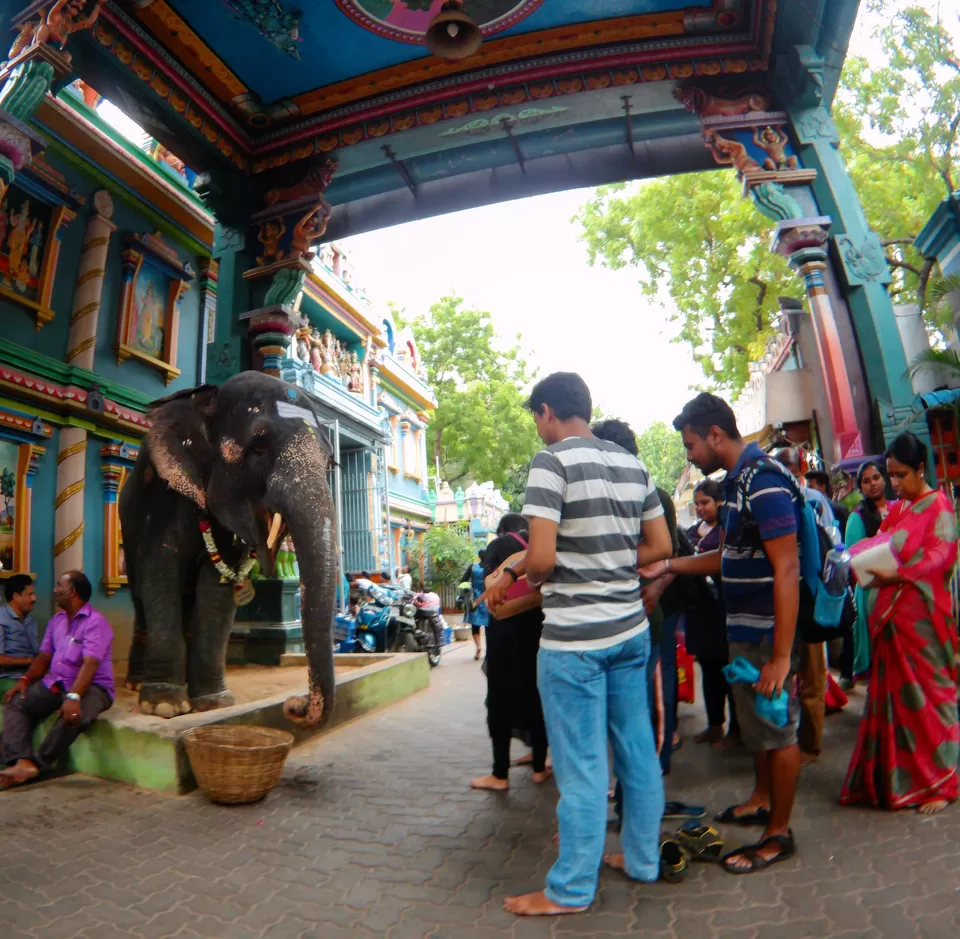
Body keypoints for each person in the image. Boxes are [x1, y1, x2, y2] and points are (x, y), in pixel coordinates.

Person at [486, 373, 672, 916]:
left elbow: (541, 559)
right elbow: (660, 545)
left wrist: (515, 571)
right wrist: (607, 560)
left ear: (547, 411)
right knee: (636, 751)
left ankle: (569, 890)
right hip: (630, 634)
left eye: (535, 417)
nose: (537, 428)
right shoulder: (632, 464)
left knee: (583, 768)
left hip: (575, 645)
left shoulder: (552, 463)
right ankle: (642, 860)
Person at [645, 393, 802, 874]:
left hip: (768, 632)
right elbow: (727, 558)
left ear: (716, 435)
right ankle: (761, 798)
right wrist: (668, 566)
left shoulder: (763, 480)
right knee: (756, 724)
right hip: (745, 629)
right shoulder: (737, 482)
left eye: (691, 444)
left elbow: (787, 566)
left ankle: (778, 834)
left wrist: (780, 656)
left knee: (778, 727)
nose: (690, 454)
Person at [840, 432, 958, 815]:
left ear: (921, 469)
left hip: (924, 624)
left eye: (900, 474)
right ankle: (900, 779)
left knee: (931, 699)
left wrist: (900, 575)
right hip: (893, 625)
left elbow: (942, 557)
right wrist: (852, 560)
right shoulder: (900, 508)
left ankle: (942, 782)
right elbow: (880, 541)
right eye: (890, 474)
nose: (894, 482)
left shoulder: (938, 506)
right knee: (900, 703)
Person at [1, 572, 114, 789]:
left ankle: (36, 764)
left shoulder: (95, 622)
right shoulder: (57, 621)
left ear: (71, 592)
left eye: (59, 585)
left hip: (93, 687)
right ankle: (18, 760)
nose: (54, 590)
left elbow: (90, 664)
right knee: (16, 701)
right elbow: (44, 657)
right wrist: (25, 678)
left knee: (73, 715)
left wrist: (74, 696)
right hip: (56, 683)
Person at [470, 515, 548, 791]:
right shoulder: (538, 544)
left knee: (499, 701)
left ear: (502, 530)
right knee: (535, 696)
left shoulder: (499, 544)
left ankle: (499, 774)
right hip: (537, 631)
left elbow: (485, 580)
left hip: (504, 634)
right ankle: (539, 767)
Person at [773, 447, 830, 764]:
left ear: (800, 471)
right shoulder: (773, 503)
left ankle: (809, 744)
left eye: (792, 472)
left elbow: (832, 544)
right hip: (785, 601)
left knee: (811, 677)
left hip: (808, 598)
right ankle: (787, 743)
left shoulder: (814, 500)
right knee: (786, 677)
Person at [685, 479, 740, 748]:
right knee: (708, 670)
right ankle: (715, 724)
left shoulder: (727, 531)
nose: (700, 508)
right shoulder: (691, 533)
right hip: (701, 615)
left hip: (724, 612)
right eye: (696, 504)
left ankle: (737, 730)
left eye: (705, 503)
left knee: (730, 670)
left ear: (719, 502)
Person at [841, 461, 894, 689]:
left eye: (876, 477)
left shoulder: (899, 507)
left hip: (900, 585)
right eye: (866, 481)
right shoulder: (858, 517)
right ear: (860, 487)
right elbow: (853, 558)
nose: (873, 484)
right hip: (872, 590)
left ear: (884, 479)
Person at [0, 574, 39, 686]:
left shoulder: (31, 621)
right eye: (30, 595)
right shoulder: (1, 617)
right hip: (8, 678)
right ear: (16, 596)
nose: (34, 599)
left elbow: (37, 652)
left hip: (32, 676)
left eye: (34, 594)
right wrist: (30, 661)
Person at [804, 470, 850, 535]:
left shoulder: (839, 511)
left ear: (822, 487)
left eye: (810, 487)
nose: (808, 492)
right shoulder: (808, 512)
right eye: (806, 489)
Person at [463, 552, 489, 661]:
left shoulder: (473, 567)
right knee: (488, 625)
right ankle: (488, 651)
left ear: (479, 557)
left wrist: (468, 590)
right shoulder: (490, 568)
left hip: (474, 598)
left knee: (475, 625)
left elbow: (463, 581)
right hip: (487, 598)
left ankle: (478, 646)